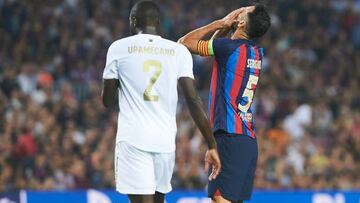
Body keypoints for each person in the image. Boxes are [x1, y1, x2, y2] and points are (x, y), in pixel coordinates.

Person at [101, 1, 221, 203]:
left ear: (133, 21)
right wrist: (211, 144)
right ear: (158, 22)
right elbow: (193, 100)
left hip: (134, 139)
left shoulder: (118, 48)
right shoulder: (178, 51)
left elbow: (108, 101)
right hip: (165, 142)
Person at [178, 4, 271, 203]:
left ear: (242, 21)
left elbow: (184, 42)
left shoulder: (227, 48)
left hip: (230, 137)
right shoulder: (255, 53)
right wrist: (229, 27)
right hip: (247, 141)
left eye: (244, 9)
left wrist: (222, 22)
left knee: (220, 199)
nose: (240, 9)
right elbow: (218, 45)